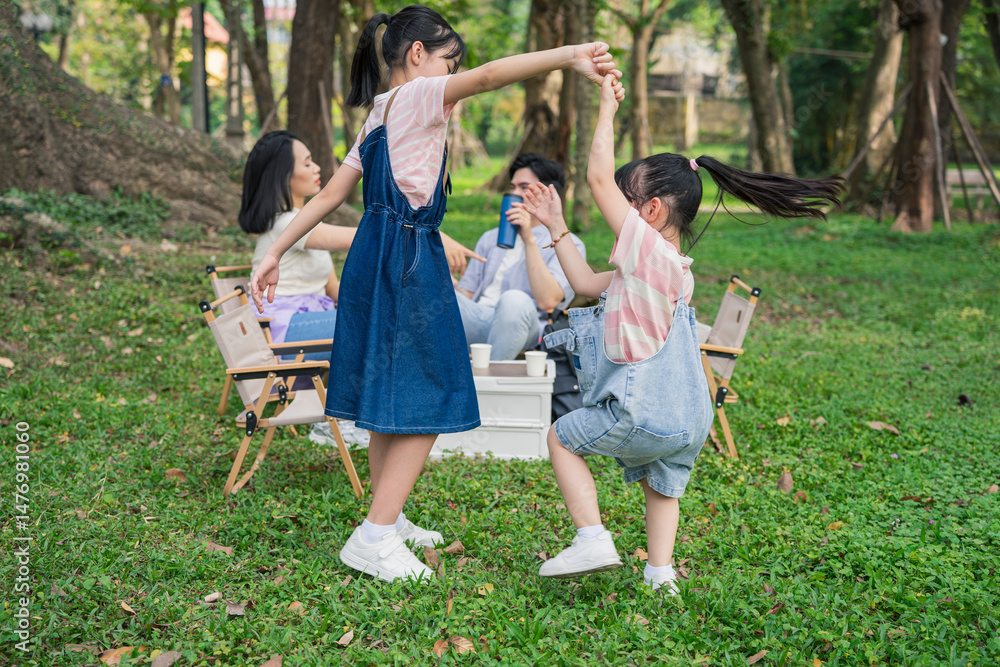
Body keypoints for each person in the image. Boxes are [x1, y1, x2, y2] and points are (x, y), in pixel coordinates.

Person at [250, 5, 623, 583]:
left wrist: (275, 252)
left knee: (389, 394)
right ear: (417, 55)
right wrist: (570, 56)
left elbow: (327, 201)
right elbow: (493, 75)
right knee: (432, 389)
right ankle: (373, 536)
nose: (458, 79)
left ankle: (387, 519)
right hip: (405, 255)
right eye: (449, 62)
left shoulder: (378, 112)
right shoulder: (419, 96)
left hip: (377, 254)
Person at [523, 74, 843, 592]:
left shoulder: (646, 252)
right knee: (663, 486)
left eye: (625, 202)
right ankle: (661, 576)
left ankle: (591, 538)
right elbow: (581, 283)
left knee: (560, 438)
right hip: (690, 417)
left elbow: (599, 179)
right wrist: (556, 226)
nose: (614, 210)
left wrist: (606, 106)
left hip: (642, 408)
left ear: (651, 212)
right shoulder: (670, 268)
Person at [455, 154, 586, 360]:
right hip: (480, 318)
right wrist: (448, 285)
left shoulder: (566, 243)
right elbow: (467, 296)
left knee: (514, 301)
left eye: (524, 188)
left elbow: (548, 301)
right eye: (512, 187)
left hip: (525, 325)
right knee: (436, 295)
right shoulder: (490, 238)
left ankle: (491, 380)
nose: (515, 194)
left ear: (547, 194)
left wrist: (528, 239)